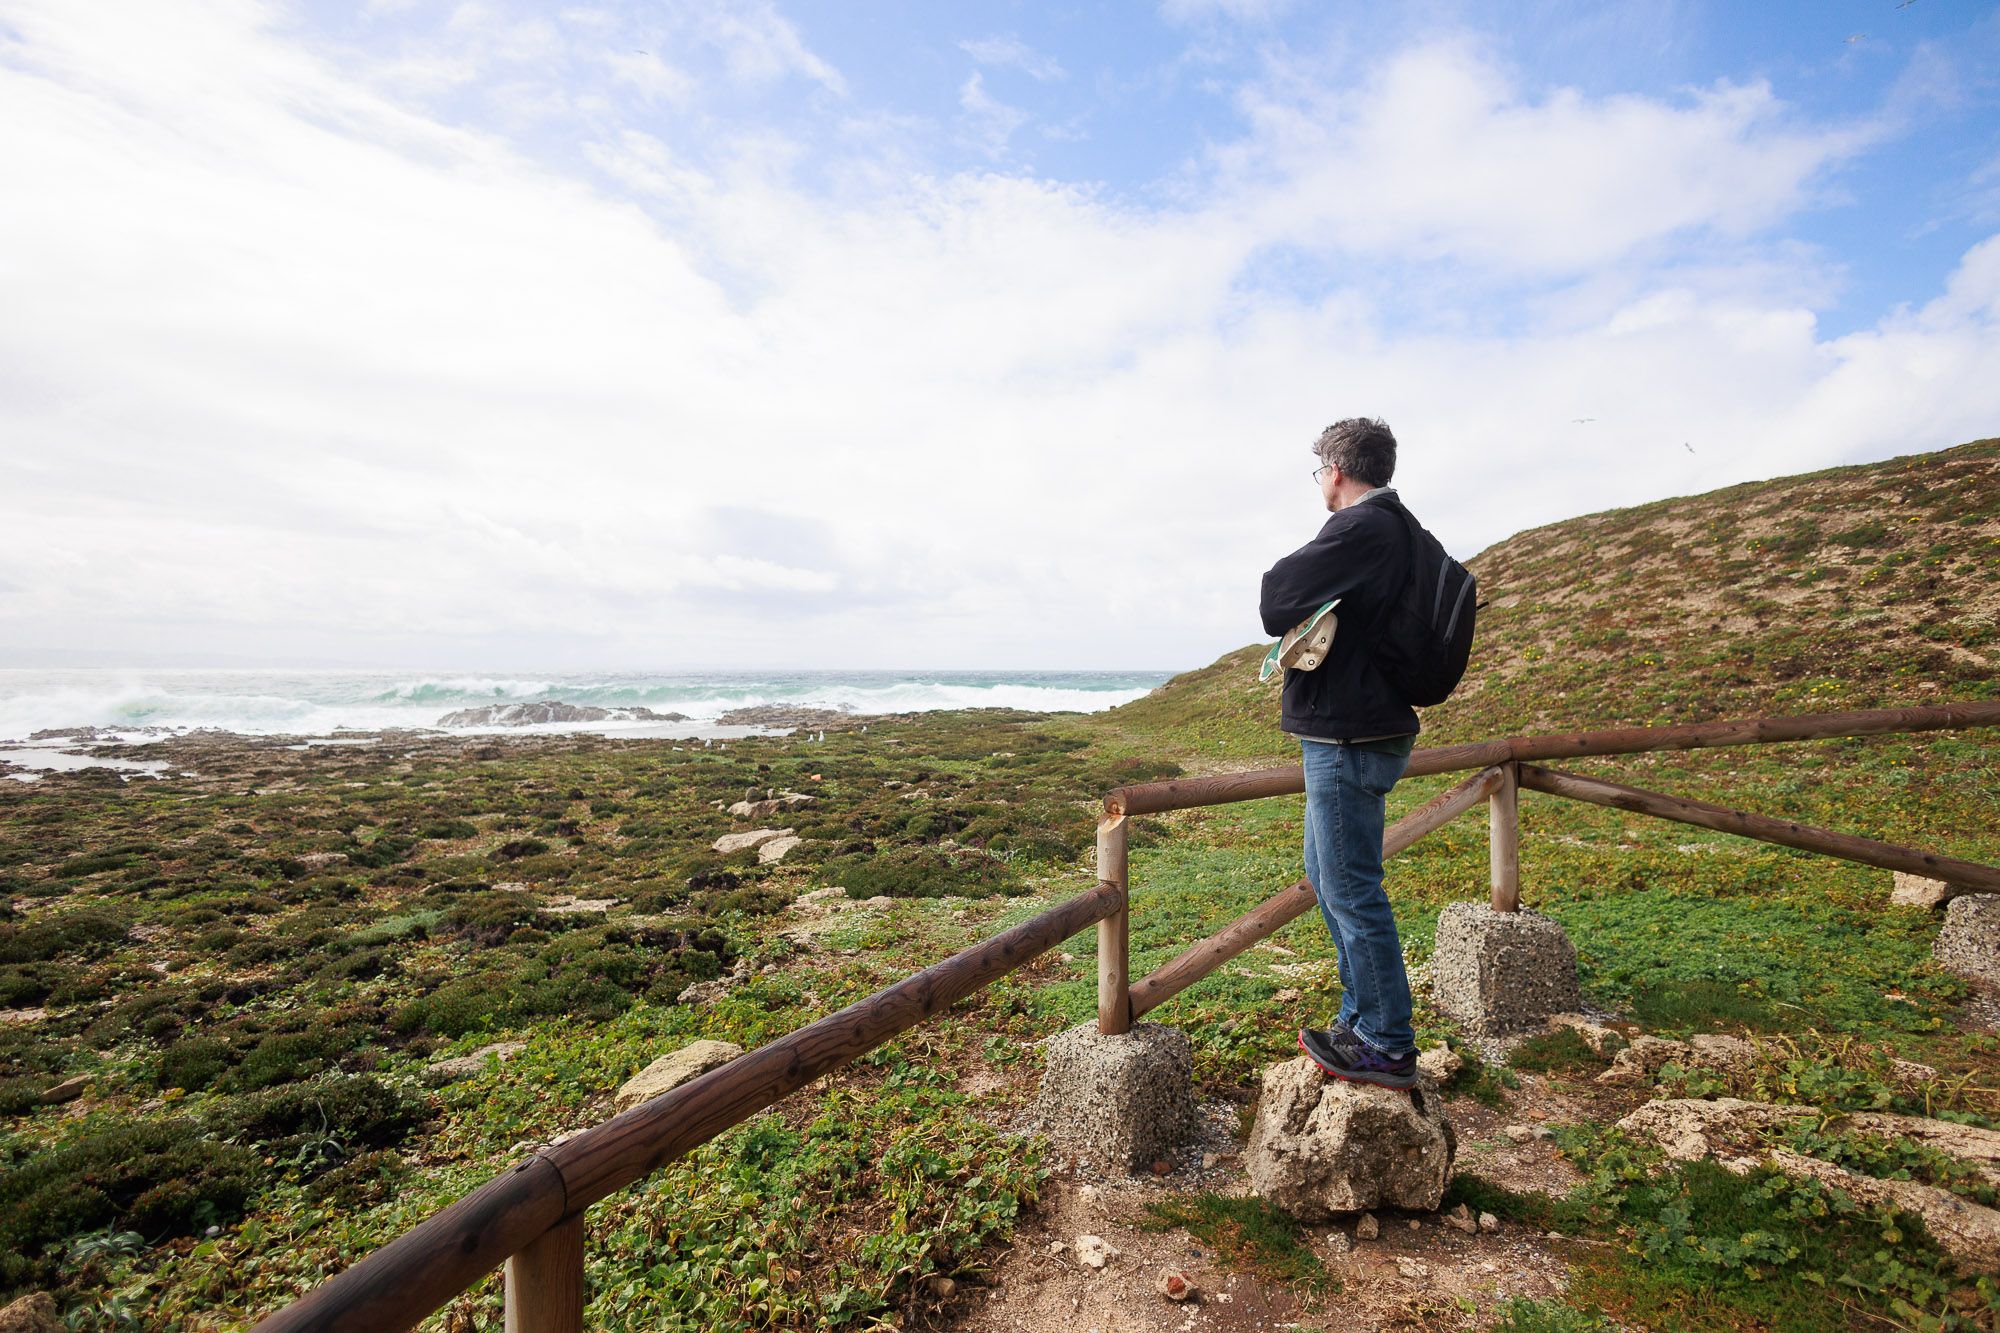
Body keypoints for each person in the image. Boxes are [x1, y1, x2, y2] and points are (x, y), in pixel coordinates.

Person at [1258, 417, 1422, 1090]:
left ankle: (1385, 1038)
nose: (1320, 481)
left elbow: (1275, 596)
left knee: (1351, 887)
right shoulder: (1398, 528)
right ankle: (1363, 1017)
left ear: (1336, 471)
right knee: (1330, 878)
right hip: (1362, 726)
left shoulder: (1362, 526)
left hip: (1347, 734)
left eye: (1320, 470)